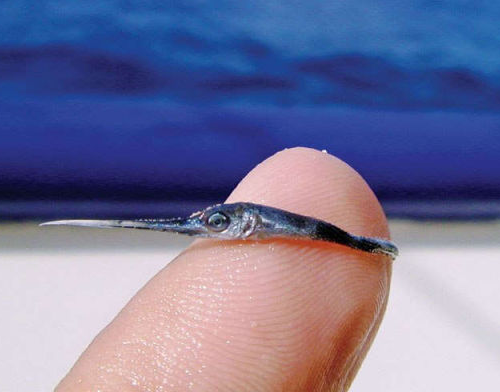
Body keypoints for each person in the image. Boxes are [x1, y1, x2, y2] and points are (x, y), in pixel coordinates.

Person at [57, 147, 393, 391]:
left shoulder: (266, 225)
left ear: (250, 223)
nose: (211, 228)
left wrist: (358, 244)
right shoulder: (252, 224)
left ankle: (367, 246)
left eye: (218, 223)